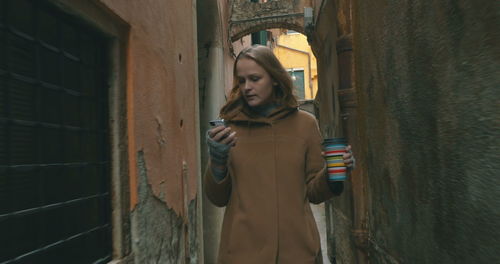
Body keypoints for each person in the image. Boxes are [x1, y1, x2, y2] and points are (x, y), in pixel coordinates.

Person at [205, 45, 354, 264]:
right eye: (242, 80)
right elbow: (218, 198)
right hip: (241, 253)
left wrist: (333, 172)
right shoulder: (229, 130)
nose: (247, 87)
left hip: (298, 253)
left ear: (274, 79)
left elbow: (314, 192)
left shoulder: (305, 125)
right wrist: (217, 162)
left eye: (255, 79)